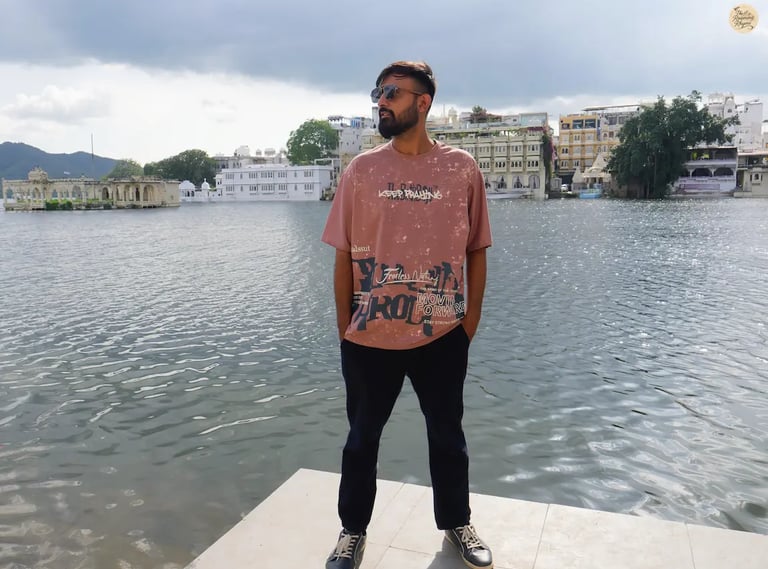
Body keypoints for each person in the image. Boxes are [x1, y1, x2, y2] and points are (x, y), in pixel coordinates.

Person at [321, 60, 493, 569]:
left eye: (392, 92)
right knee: (360, 442)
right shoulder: (361, 171)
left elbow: (477, 248)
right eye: (378, 92)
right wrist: (345, 331)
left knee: (448, 437)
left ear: (424, 101)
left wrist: (468, 323)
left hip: (442, 331)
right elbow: (342, 254)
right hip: (369, 335)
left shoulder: (461, 168)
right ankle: (352, 532)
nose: (381, 101)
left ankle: (457, 522)